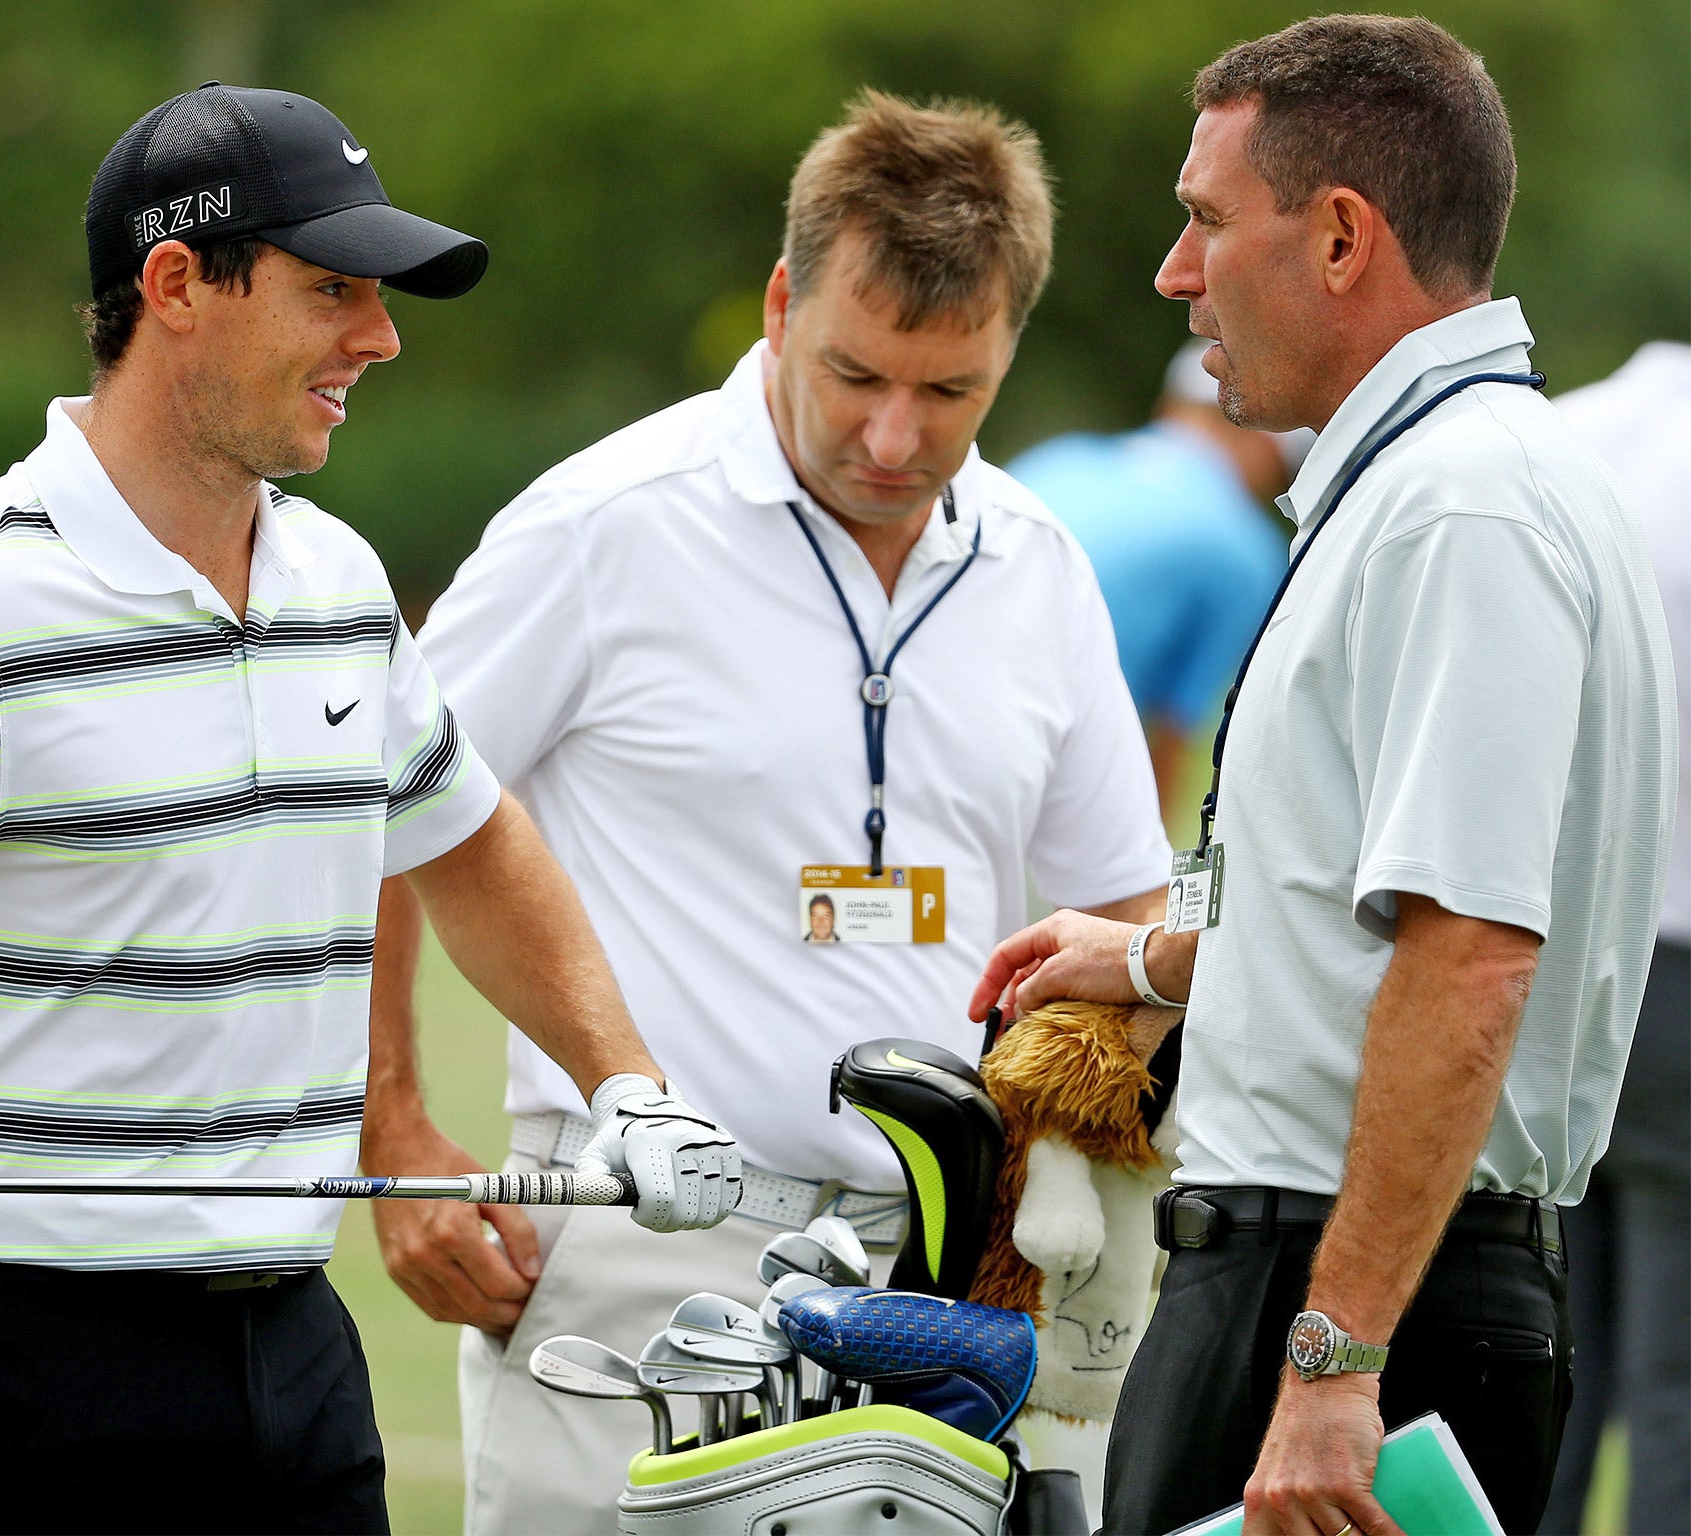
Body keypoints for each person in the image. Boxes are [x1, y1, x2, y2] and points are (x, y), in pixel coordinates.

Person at [0, 84, 742, 1536]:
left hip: (290, 1353)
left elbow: (468, 842)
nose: (381, 337)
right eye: (331, 290)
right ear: (176, 286)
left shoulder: (336, 583)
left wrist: (629, 1087)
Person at [358, 91, 1172, 1534]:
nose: (891, 434)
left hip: (941, 1271)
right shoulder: (601, 524)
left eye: (950, 392)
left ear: (1009, 349)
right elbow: (371, 809)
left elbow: (1124, 910)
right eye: (854, 372)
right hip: (629, 1248)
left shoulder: (1043, 565)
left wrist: (1061, 1221)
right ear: (782, 300)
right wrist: (395, 1127)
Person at [969, 18, 1675, 1535]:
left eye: (1209, 218)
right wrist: (1159, 960)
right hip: (1350, 1276)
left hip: (1353, 1295)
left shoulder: (1461, 504)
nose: (1176, 269)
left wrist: (1334, 1358)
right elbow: (1383, 911)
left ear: (1344, 237)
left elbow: (1472, 956)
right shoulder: (1452, 476)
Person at [1540, 341, 1691, 1536]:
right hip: (1681, 969)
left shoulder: (1567, 439)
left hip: (1551, 953)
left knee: (1551, 1354)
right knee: (1675, 1382)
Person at [1007, 339, 1306, 817]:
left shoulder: (1057, 458)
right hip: (1031, 770)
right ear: (1261, 439)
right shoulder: (1248, 550)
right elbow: (1170, 736)